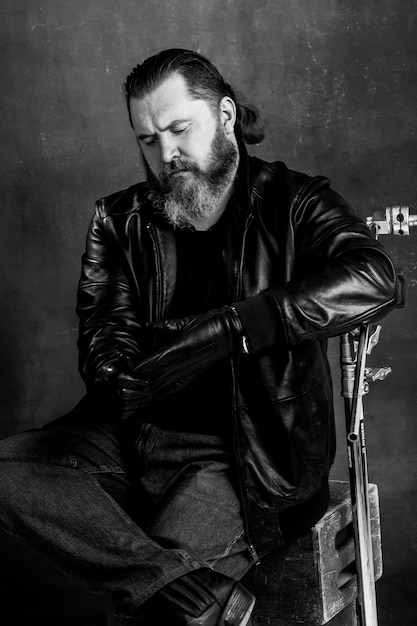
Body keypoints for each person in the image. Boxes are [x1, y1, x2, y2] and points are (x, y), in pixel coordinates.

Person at [0, 48, 401, 626]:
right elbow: (104, 333)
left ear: (227, 115)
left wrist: (236, 328)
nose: (167, 154)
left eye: (179, 129)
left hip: (241, 461)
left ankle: (165, 588)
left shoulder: (295, 202)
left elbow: (377, 276)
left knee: (152, 617)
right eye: (148, 139)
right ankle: (175, 584)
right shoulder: (119, 220)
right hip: (129, 440)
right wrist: (116, 379)